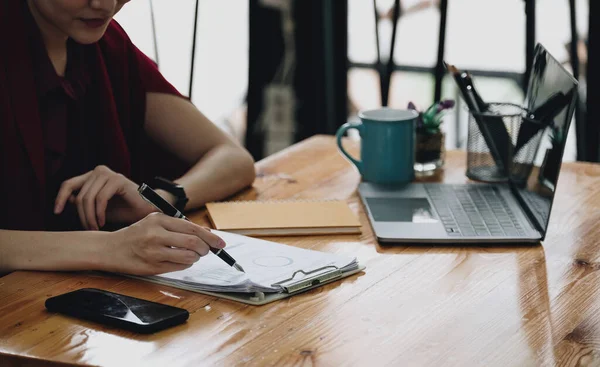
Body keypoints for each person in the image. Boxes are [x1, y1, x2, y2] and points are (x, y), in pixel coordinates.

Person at [0, 0, 256, 276]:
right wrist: (106, 248)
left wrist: (159, 199)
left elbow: (233, 158)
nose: (105, 4)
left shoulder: (105, 43)